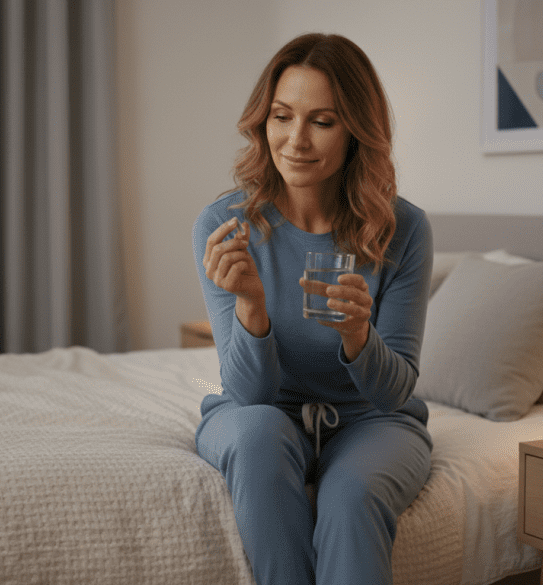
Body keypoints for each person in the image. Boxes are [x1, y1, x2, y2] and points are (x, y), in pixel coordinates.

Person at [192, 32, 433, 585]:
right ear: (264, 122)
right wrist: (251, 303)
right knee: (255, 435)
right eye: (282, 116)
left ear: (356, 132)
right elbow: (248, 397)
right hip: (261, 412)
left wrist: (357, 335)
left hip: (371, 419)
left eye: (322, 122)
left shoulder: (404, 229)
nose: (296, 140)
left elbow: (395, 392)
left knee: (351, 496)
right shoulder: (225, 225)